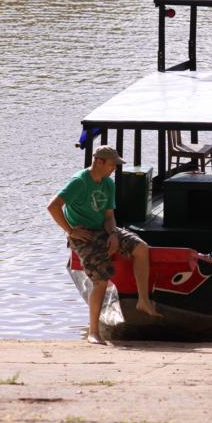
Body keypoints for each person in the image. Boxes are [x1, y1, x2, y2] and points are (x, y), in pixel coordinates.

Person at [47, 145, 161, 344]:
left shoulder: (108, 183)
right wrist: (71, 231)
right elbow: (53, 206)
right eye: (112, 164)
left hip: (104, 229)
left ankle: (143, 300)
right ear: (98, 162)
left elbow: (109, 216)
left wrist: (114, 234)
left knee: (141, 248)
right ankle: (93, 331)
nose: (115, 169)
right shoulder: (79, 182)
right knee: (100, 279)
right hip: (83, 234)